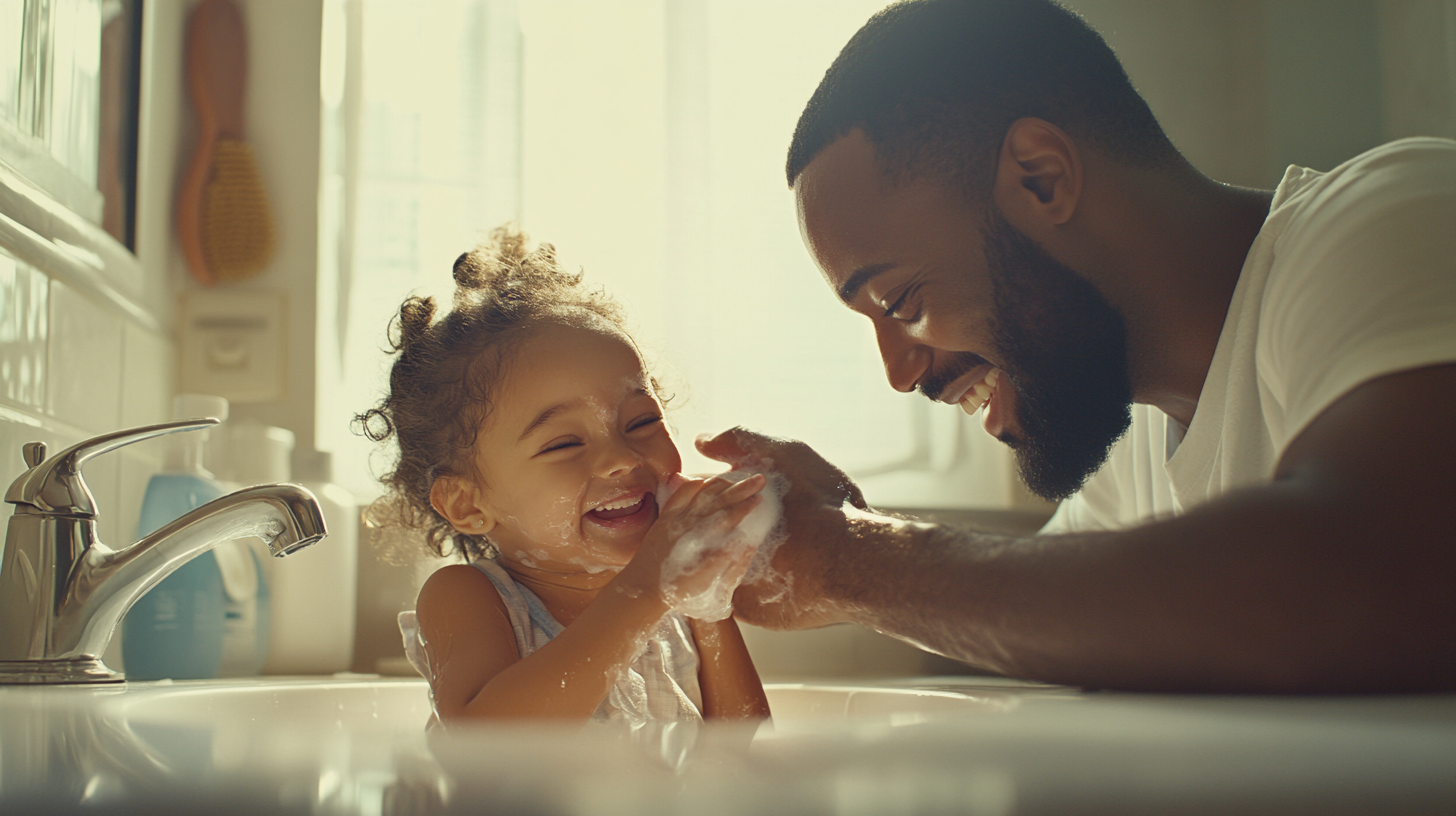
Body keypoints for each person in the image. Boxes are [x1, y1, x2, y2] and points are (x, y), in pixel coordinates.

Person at [699, 0, 1456, 693]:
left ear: (1040, 178)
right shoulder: (1136, 458)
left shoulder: (1391, 216)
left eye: (902, 302)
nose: (901, 372)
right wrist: (833, 551)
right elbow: (1036, 613)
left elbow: (1372, 574)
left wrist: (844, 560)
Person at [358, 228, 771, 722]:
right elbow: (487, 748)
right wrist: (646, 588)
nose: (620, 458)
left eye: (641, 422)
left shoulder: (672, 595)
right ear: (469, 505)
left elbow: (739, 741)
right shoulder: (472, 597)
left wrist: (707, 598)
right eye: (564, 443)